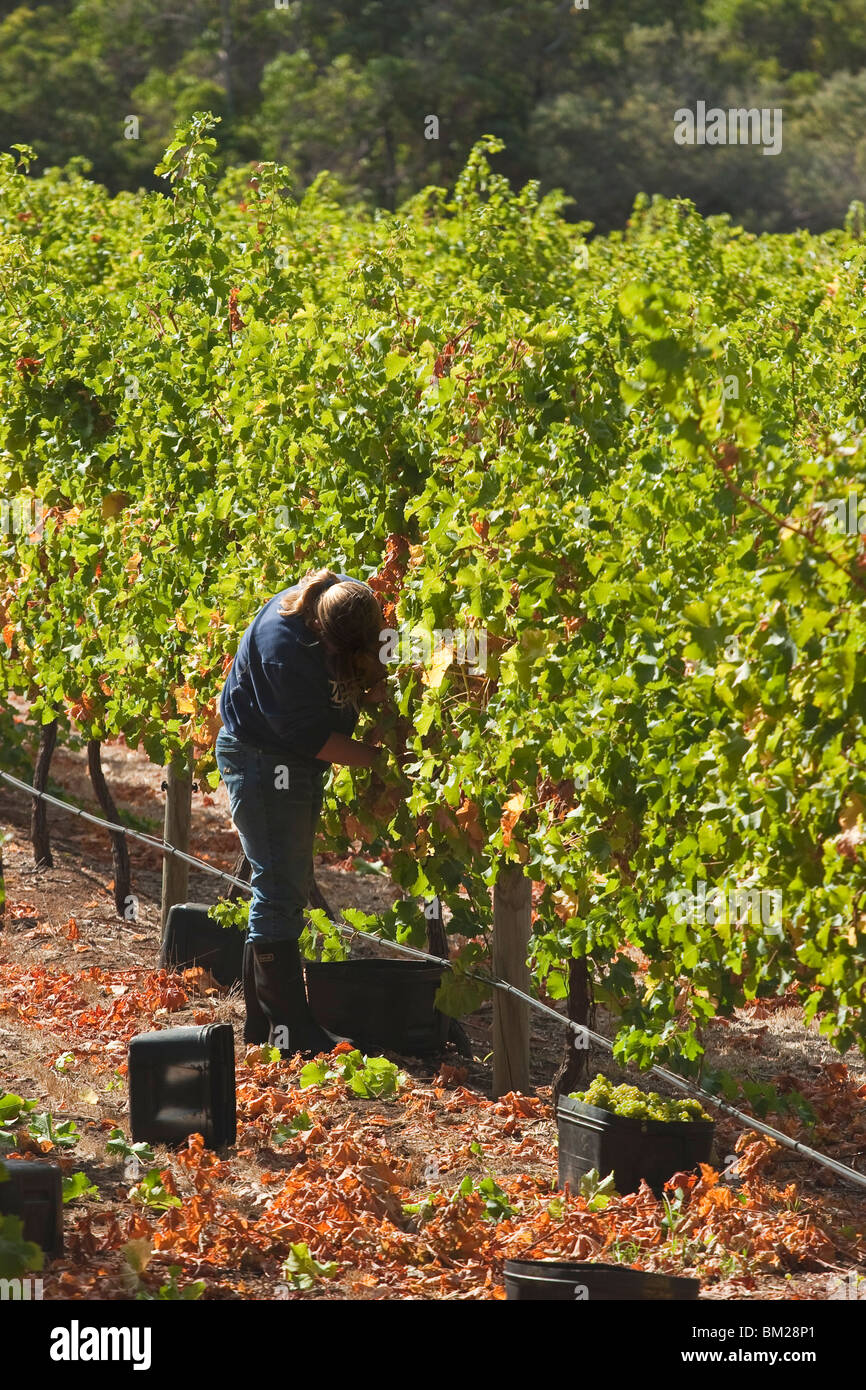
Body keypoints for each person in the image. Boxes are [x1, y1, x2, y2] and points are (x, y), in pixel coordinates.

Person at [215, 568, 388, 1057]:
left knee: (282, 883)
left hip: (291, 764)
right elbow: (310, 739)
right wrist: (385, 763)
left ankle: (265, 1025)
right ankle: (288, 1031)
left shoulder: (350, 599)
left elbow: (376, 658)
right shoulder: (283, 647)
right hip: (263, 761)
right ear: (321, 634)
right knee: (278, 886)